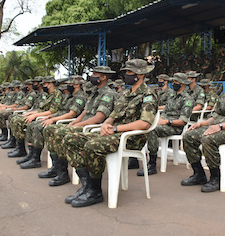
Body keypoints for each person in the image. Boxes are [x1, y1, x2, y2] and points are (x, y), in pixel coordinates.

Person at [65, 59, 157, 207]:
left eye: (129, 72)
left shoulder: (148, 94)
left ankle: (95, 191)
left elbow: (144, 123)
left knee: (92, 145)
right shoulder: (125, 93)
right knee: (71, 139)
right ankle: (87, 185)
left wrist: (115, 129)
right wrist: (106, 125)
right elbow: (113, 115)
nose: (126, 75)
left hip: (131, 138)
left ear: (140, 74)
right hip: (114, 134)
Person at [43, 68, 118, 187]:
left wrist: (78, 125)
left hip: (93, 126)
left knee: (61, 133)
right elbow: (84, 112)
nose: (92, 76)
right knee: (49, 129)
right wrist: (73, 123)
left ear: (103, 77)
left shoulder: (108, 94)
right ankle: (58, 169)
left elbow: (99, 118)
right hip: (84, 124)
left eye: (95, 74)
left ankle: (72, 177)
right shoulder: (94, 92)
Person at [137, 73, 194, 176]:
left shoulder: (187, 99)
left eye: (176, 82)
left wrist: (167, 122)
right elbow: (164, 113)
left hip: (175, 127)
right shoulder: (172, 97)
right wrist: (160, 120)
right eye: (174, 82)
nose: (174, 84)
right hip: (164, 124)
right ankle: (135, 158)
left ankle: (152, 164)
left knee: (153, 130)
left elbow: (183, 121)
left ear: (182, 83)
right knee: (147, 125)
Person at [9, 76, 63, 168]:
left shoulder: (57, 94)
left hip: (49, 117)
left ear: (50, 84)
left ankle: (36, 158)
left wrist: (35, 116)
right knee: (19, 120)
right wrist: (30, 114)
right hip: (42, 115)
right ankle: (29, 154)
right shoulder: (49, 94)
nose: (43, 86)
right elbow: (41, 109)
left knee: (35, 126)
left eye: (45, 84)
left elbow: (53, 111)